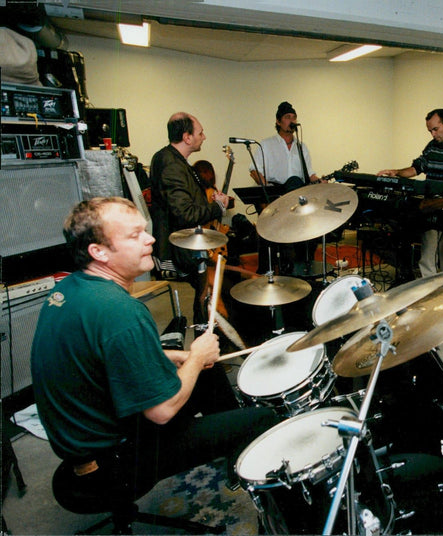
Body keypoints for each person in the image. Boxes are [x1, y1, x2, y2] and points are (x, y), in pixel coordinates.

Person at [30, 197, 279, 506]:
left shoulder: (70, 288)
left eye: (145, 230)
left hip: (82, 441)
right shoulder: (121, 311)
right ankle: (246, 457)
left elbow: (94, 356)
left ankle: (230, 445)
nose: (150, 239)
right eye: (135, 235)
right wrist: (197, 355)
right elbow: (161, 412)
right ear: (99, 252)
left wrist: (167, 356)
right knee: (262, 418)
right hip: (113, 462)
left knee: (207, 370)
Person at [150, 112, 231, 323]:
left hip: (183, 243)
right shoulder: (172, 165)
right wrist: (218, 207)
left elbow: (184, 201)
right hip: (180, 250)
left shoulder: (171, 159)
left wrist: (210, 199)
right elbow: (185, 214)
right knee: (221, 280)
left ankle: (206, 327)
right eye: (200, 133)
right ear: (187, 137)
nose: (204, 137)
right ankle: (207, 329)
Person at [378, 108, 443, 278]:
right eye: (430, 131)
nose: (432, 134)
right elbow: (417, 167)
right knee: (427, 258)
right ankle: (428, 294)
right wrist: (396, 172)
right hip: (430, 207)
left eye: (435, 129)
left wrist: (438, 189)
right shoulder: (432, 147)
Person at [249, 100, 321, 190]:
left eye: (294, 118)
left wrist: (320, 182)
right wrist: (267, 191)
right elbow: (254, 170)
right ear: (278, 121)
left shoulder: (302, 147)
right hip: (275, 193)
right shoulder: (266, 145)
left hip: (297, 193)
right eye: (287, 117)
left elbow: (309, 173)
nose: (292, 121)